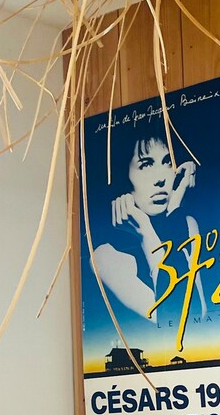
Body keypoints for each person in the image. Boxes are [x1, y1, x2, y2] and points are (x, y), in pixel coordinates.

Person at [89, 132, 207, 332]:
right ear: (123, 176)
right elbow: (177, 321)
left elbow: (201, 315)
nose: (161, 179)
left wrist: (174, 211)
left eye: (167, 162)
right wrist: (146, 234)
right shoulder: (104, 256)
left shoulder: (187, 224)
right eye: (146, 165)